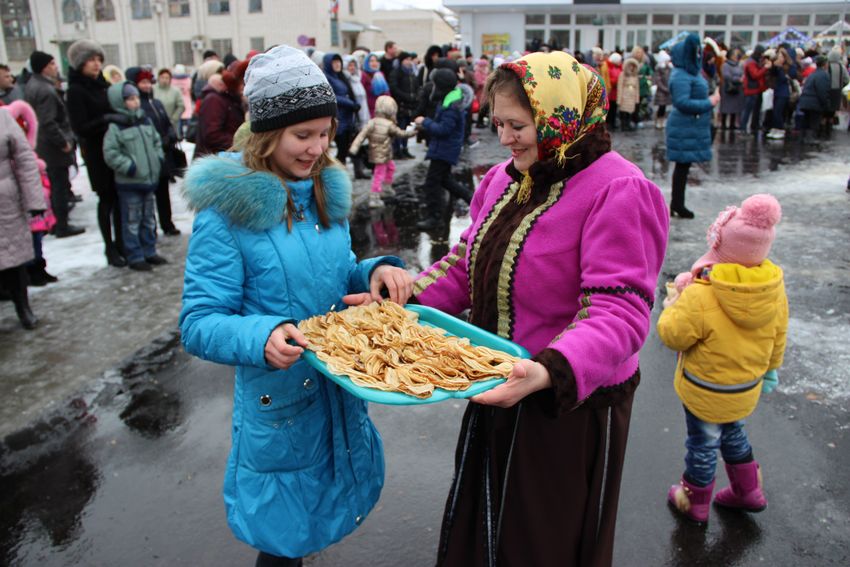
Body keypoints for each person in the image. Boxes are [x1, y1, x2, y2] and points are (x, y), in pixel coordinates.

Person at [412, 51, 668, 567]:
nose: (504, 138)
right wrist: (402, 303)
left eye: (517, 125)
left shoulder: (618, 189)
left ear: (560, 118)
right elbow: (466, 263)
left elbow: (620, 313)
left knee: (543, 541)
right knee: (493, 530)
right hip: (502, 383)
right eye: (496, 124)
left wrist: (550, 369)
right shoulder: (504, 179)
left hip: (568, 405)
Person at [178, 44, 413, 567]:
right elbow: (198, 323)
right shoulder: (226, 215)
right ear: (266, 134)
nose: (316, 148)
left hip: (336, 393)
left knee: (318, 519)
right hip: (280, 407)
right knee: (282, 541)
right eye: (301, 135)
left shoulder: (323, 192)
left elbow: (339, 275)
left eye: (324, 133)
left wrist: (375, 271)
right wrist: (260, 337)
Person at [659, 194, 787, 525]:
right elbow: (779, 333)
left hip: (706, 388)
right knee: (733, 430)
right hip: (746, 386)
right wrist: (771, 370)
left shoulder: (702, 292)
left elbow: (673, 335)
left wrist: (675, 304)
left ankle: (694, 499)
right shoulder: (773, 288)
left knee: (703, 442)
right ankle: (748, 490)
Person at [66, 38, 125, 266]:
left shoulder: (104, 86)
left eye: (99, 59)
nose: (96, 64)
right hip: (96, 152)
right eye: (90, 60)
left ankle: (121, 244)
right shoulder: (76, 91)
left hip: (115, 149)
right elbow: (80, 127)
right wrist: (106, 120)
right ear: (80, 63)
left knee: (119, 198)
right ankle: (109, 248)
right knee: (106, 199)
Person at [102, 81, 167, 271]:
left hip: (149, 180)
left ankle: (149, 251)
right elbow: (111, 153)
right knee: (131, 221)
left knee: (149, 218)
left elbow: (156, 141)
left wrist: (158, 158)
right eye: (130, 99)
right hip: (130, 183)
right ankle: (135, 255)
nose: (135, 102)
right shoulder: (115, 127)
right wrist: (129, 167)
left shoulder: (145, 120)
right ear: (120, 102)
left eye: (136, 98)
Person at [23, 50, 85, 237]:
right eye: (52, 64)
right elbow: (48, 121)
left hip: (43, 145)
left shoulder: (34, 85)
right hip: (52, 147)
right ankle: (61, 225)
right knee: (58, 186)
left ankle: (56, 222)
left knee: (54, 184)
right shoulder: (45, 89)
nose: (55, 67)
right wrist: (63, 142)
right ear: (43, 67)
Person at [0, 105, 47, 329]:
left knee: (13, 256)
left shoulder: (3, 117)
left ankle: (23, 307)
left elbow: (25, 159)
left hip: (5, 200)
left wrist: (34, 200)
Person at [4, 100, 59, 286]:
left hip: (22, 198)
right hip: (11, 197)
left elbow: (25, 163)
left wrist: (36, 201)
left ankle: (35, 270)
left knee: (33, 238)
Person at [666, 33, 720, 219]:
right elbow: (682, 102)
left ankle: (677, 203)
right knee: (682, 166)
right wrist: (710, 102)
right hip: (684, 125)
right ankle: (677, 204)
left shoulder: (688, 72)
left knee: (684, 166)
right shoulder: (680, 75)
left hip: (690, 125)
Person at [413, 68, 472, 231]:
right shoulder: (449, 99)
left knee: (431, 183)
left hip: (444, 150)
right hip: (444, 148)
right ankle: (472, 199)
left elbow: (443, 129)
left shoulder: (451, 105)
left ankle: (435, 218)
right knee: (445, 180)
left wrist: (425, 122)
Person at [127, 67, 181, 236]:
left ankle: (167, 223)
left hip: (163, 153)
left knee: (163, 192)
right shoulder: (138, 106)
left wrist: (170, 136)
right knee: (150, 194)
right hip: (149, 154)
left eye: (148, 82)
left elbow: (166, 122)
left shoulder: (156, 103)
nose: (146, 86)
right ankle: (150, 228)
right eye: (142, 82)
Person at [349, 95, 417, 208]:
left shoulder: (372, 122)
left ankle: (386, 187)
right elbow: (401, 134)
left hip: (381, 153)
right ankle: (374, 196)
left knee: (390, 168)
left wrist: (354, 148)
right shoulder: (389, 124)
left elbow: (361, 136)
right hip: (382, 154)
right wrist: (414, 132)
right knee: (379, 174)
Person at [322, 53, 367, 179]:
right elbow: (333, 96)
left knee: (346, 148)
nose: (337, 65)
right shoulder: (327, 78)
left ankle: (342, 174)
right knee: (341, 149)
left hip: (347, 118)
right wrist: (351, 103)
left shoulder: (340, 76)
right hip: (338, 118)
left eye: (339, 62)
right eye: (334, 62)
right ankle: (335, 176)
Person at [194, 67, 245, 159]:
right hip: (215, 159)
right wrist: (239, 142)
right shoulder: (214, 100)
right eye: (241, 83)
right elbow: (212, 134)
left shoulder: (228, 99)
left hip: (222, 157)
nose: (243, 87)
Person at [388, 51, 419, 160]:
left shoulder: (412, 73)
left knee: (406, 128)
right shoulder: (396, 73)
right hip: (400, 105)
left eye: (410, 59)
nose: (409, 62)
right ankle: (397, 150)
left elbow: (416, 86)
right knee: (398, 129)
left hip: (410, 105)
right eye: (407, 59)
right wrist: (406, 96)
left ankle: (405, 148)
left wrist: (415, 97)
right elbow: (394, 88)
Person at [765, 47, 798, 140]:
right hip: (777, 90)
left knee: (778, 111)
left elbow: (786, 78)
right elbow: (772, 75)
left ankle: (780, 129)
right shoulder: (776, 66)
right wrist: (773, 66)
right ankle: (775, 128)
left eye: (781, 56)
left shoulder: (789, 67)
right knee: (775, 110)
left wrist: (780, 68)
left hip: (784, 92)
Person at [798, 56, 831, 143]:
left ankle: (803, 138)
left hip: (805, 101)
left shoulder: (812, 74)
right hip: (814, 103)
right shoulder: (824, 75)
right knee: (814, 122)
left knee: (806, 121)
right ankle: (810, 139)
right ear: (825, 64)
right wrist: (826, 104)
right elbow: (822, 91)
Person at [741, 45, 771, 135]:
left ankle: (746, 128)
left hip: (754, 89)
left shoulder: (753, 62)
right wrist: (765, 67)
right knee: (747, 111)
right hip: (751, 90)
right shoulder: (751, 63)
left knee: (751, 110)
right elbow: (755, 75)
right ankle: (743, 129)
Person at [719, 47, 745, 131]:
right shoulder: (725, 65)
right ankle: (723, 124)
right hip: (728, 88)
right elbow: (726, 76)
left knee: (735, 107)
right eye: (734, 55)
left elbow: (742, 72)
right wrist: (736, 79)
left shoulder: (738, 65)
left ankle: (732, 123)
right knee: (726, 107)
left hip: (737, 89)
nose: (736, 56)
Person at [153, 68, 185, 135]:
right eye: (162, 77)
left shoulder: (175, 91)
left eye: (167, 78)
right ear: (158, 78)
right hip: (156, 124)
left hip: (172, 124)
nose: (164, 80)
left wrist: (173, 119)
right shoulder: (152, 89)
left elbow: (181, 106)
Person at [361, 53, 390, 118]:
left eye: (376, 61)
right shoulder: (364, 75)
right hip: (370, 110)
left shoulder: (380, 74)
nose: (374, 63)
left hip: (383, 109)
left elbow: (387, 91)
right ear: (366, 63)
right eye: (371, 61)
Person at [617, 58, 640, 131]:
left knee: (630, 111)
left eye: (633, 66)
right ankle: (623, 124)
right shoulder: (622, 74)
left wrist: (637, 98)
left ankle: (628, 124)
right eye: (630, 66)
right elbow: (620, 86)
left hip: (632, 95)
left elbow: (637, 88)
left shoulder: (635, 75)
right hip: (625, 94)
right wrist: (619, 99)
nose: (631, 67)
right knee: (624, 111)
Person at [653, 50, 672, 129]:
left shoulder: (670, 69)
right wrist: (664, 88)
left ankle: (662, 121)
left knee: (664, 108)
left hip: (667, 90)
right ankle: (658, 120)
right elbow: (658, 80)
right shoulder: (659, 69)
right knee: (661, 107)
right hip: (661, 91)